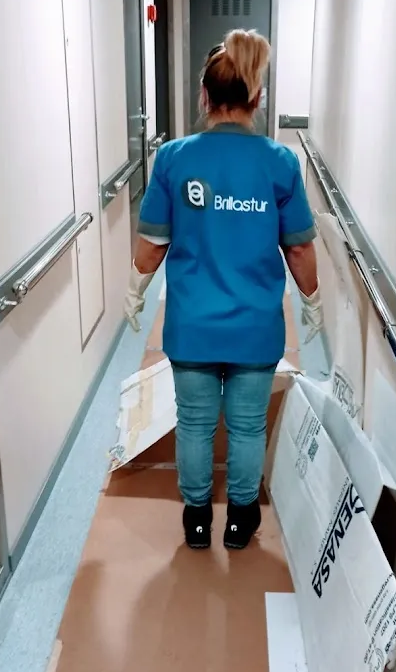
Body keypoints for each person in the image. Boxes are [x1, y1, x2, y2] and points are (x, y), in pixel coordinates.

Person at [123, 29, 324, 551]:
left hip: (192, 325)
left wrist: (135, 290)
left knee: (193, 423)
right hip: (255, 327)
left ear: (205, 96)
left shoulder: (173, 159)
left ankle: (195, 521)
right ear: (257, 98)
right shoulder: (279, 163)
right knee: (248, 426)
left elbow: (152, 246)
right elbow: (300, 249)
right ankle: (239, 521)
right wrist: (312, 300)